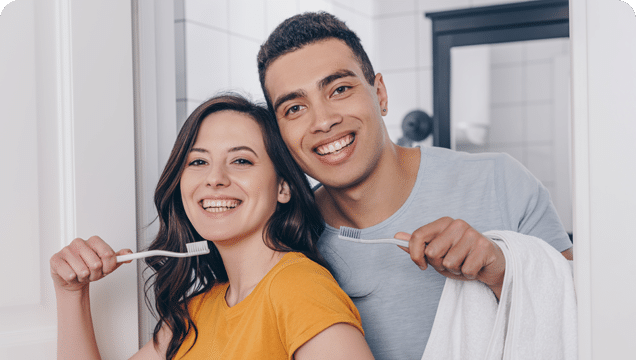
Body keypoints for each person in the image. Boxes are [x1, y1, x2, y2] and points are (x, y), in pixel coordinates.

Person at [257, 12, 574, 359]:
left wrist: (501, 269)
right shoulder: (285, 239)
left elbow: (584, 313)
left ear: (380, 94)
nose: (323, 120)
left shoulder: (500, 183)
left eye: (340, 89)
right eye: (295, 108)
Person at [49, 94, 375, 360]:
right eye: (198, 161)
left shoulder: (300, 289)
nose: (215, 178)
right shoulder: (193, 315)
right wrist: (71, 294)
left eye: (241, 160)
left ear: (283, 187)